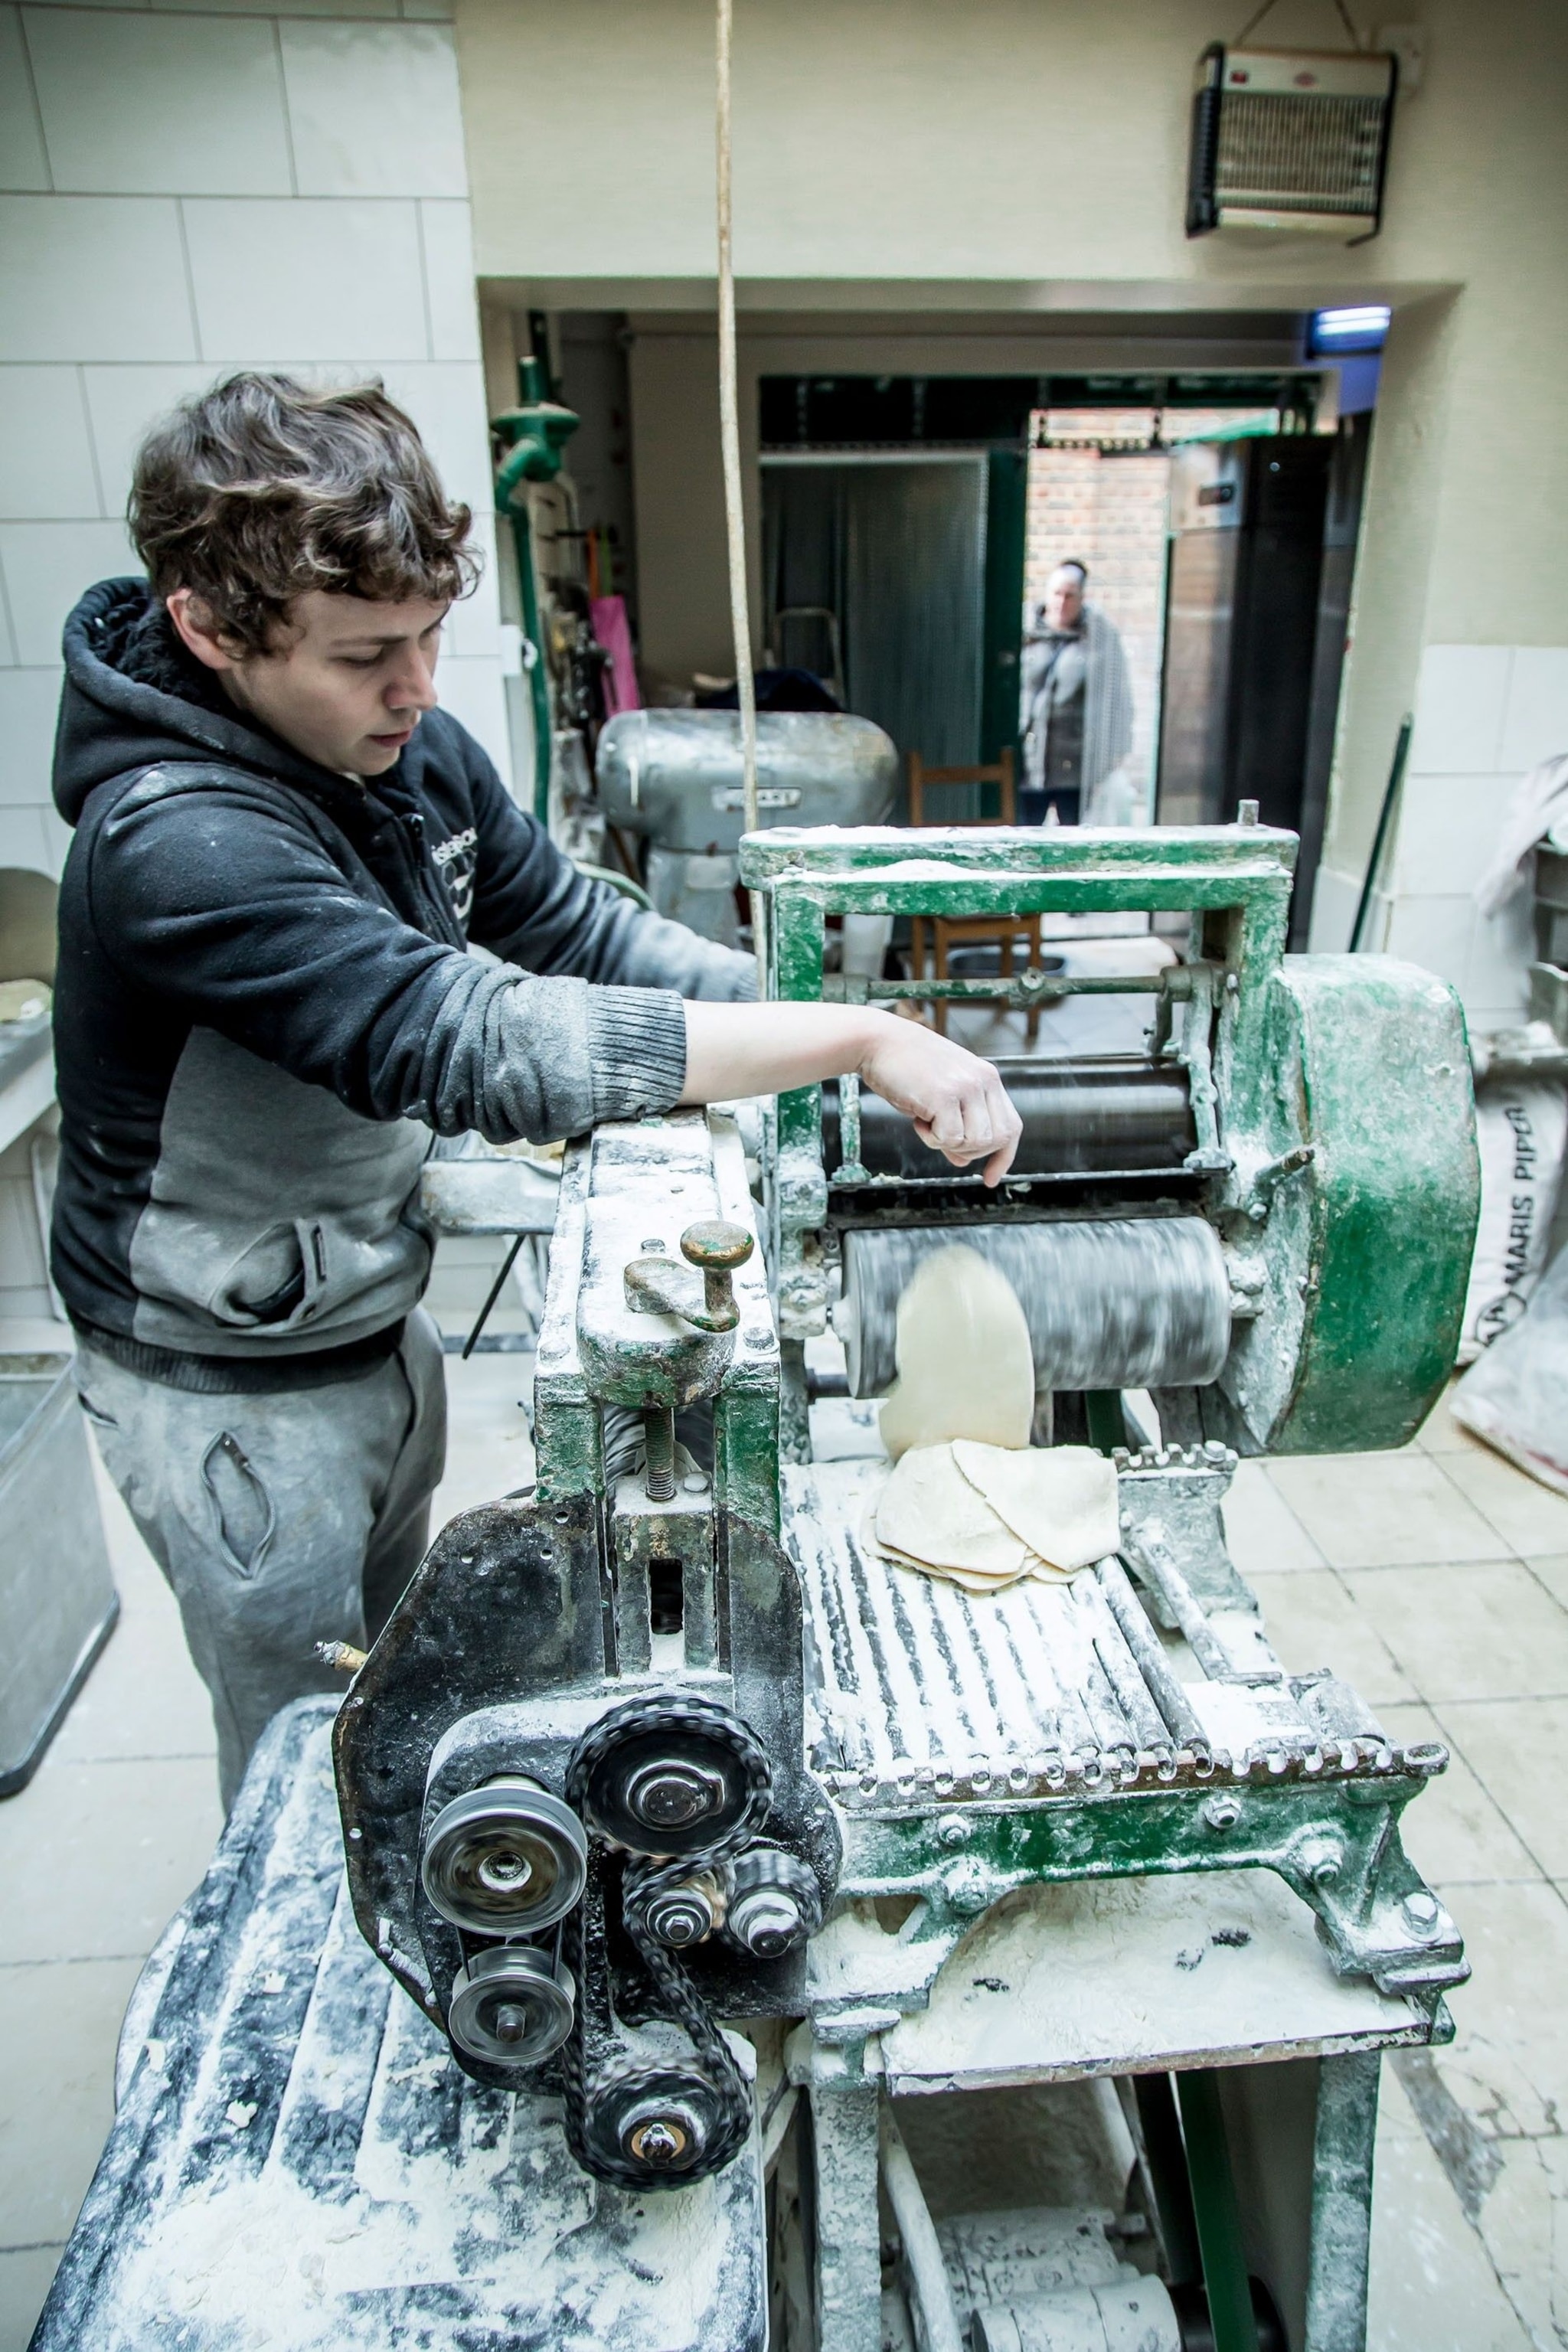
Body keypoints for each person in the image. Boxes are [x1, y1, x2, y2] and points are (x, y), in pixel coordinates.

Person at [51, 373, 1021, 1807]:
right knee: (305, 1767)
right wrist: (853, 1036)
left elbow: (577, 932)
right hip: (229, 1391)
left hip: (369, 1315)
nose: (418, 688)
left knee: (392, 1699)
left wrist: (827, 1024)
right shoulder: (174, 845)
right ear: (209, 631)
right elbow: (481, 1042)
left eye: (428, 637)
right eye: (365, 654)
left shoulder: (403, 752)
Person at [1018, 560, 1134, 826]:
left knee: (1074, 833)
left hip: (1075, 762)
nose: (1061, 602)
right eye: (1056, 594)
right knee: (1025, 832)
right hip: (1029, 760)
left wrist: (1116, 751)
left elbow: (1119, 696)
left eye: (1070, 596)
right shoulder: (1025, 632)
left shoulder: (1099, 638)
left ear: (1082, 598)